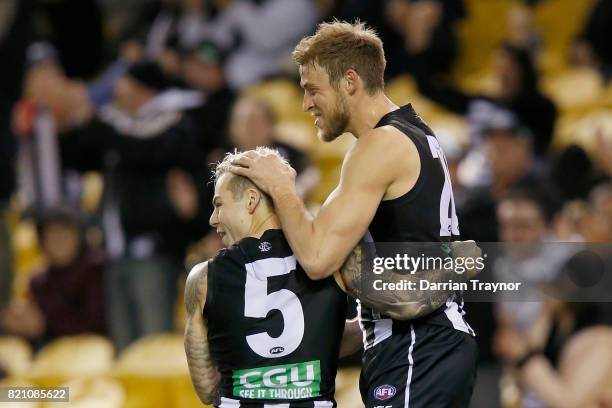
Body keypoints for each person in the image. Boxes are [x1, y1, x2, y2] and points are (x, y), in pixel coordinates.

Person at [229, 21, 477, 408]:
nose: (306, 104)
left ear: (349, 81)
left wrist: (280, 185)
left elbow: (317, 258)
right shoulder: (412, 133)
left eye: (312, 90)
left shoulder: (379, 145)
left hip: (418, 347)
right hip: (419, 345)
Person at [184, 148, 348, 406]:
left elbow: (206, 388)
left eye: (218, 205)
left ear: (251, 201)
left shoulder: (203, 277)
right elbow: (395, 309)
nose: (213, 219)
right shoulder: (334, 259)